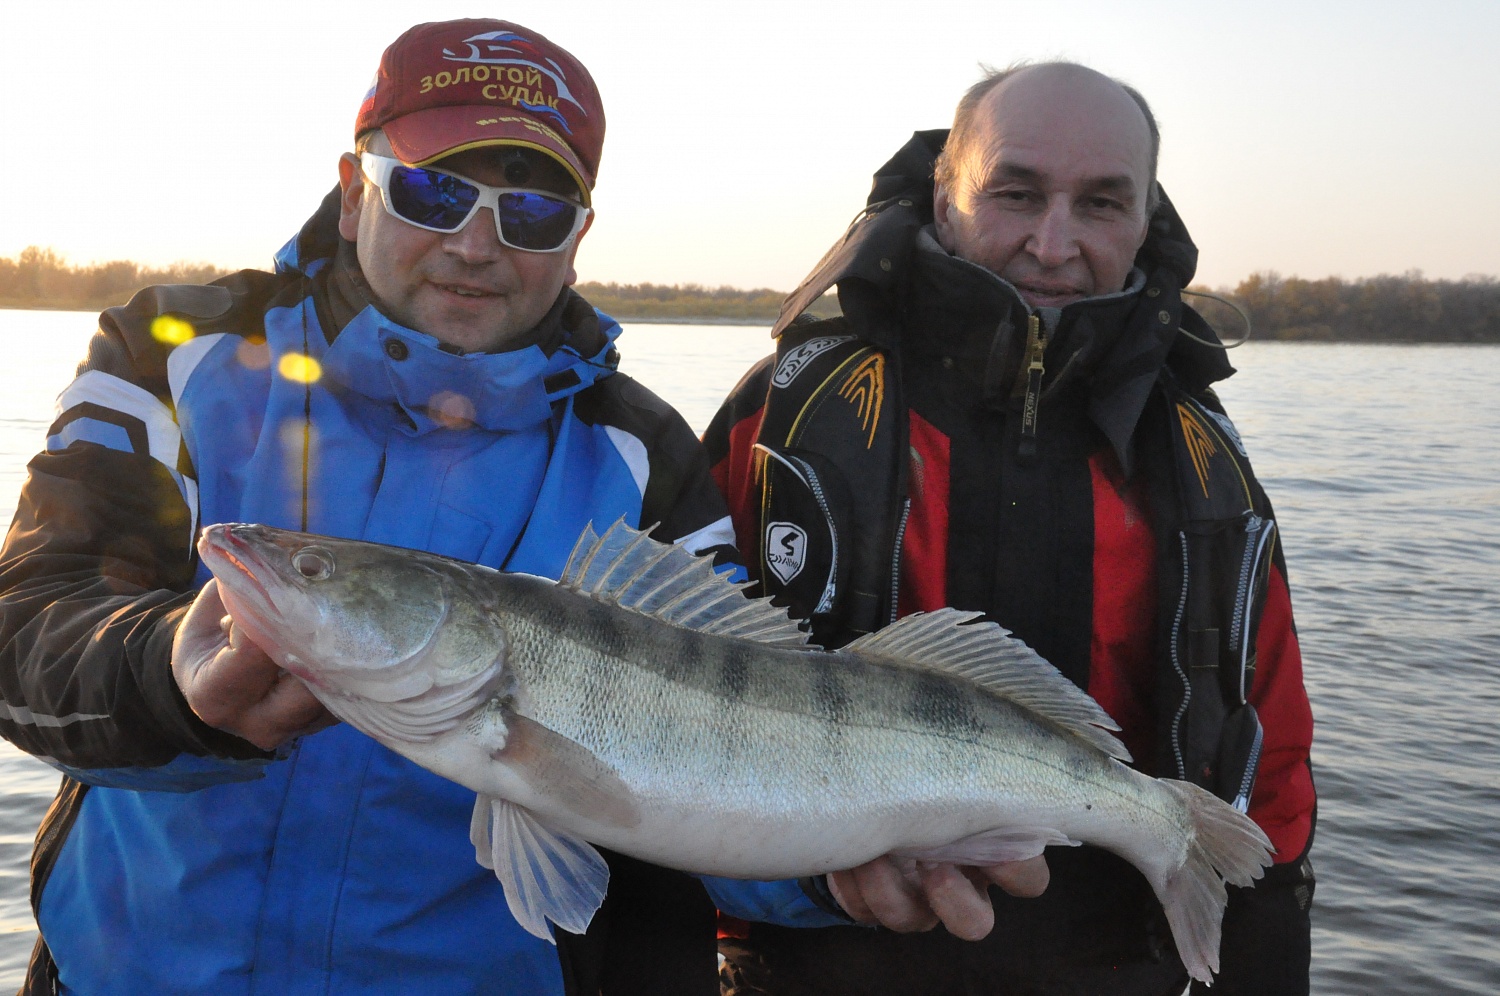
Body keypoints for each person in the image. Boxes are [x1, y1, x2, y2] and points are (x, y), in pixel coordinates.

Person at [0, 18, 996, 994]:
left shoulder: (642, 458)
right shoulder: (171, 356)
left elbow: (705, 771)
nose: (478, 245)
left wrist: (837, 864)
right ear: (356, 193)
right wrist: (170, 684)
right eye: (434, 192)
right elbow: (24, 630)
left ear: (579, 239)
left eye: (533, 214)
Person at [706, 62, 1317, 995]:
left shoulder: (1202, 461)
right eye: (1016, 193)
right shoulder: (790, 414)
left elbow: (1267, 758)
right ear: (946, 197)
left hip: (1113, 968)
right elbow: (669, 692)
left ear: (1147, 219)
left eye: (1102, 203)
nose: (1054, 242)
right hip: (814, 958)